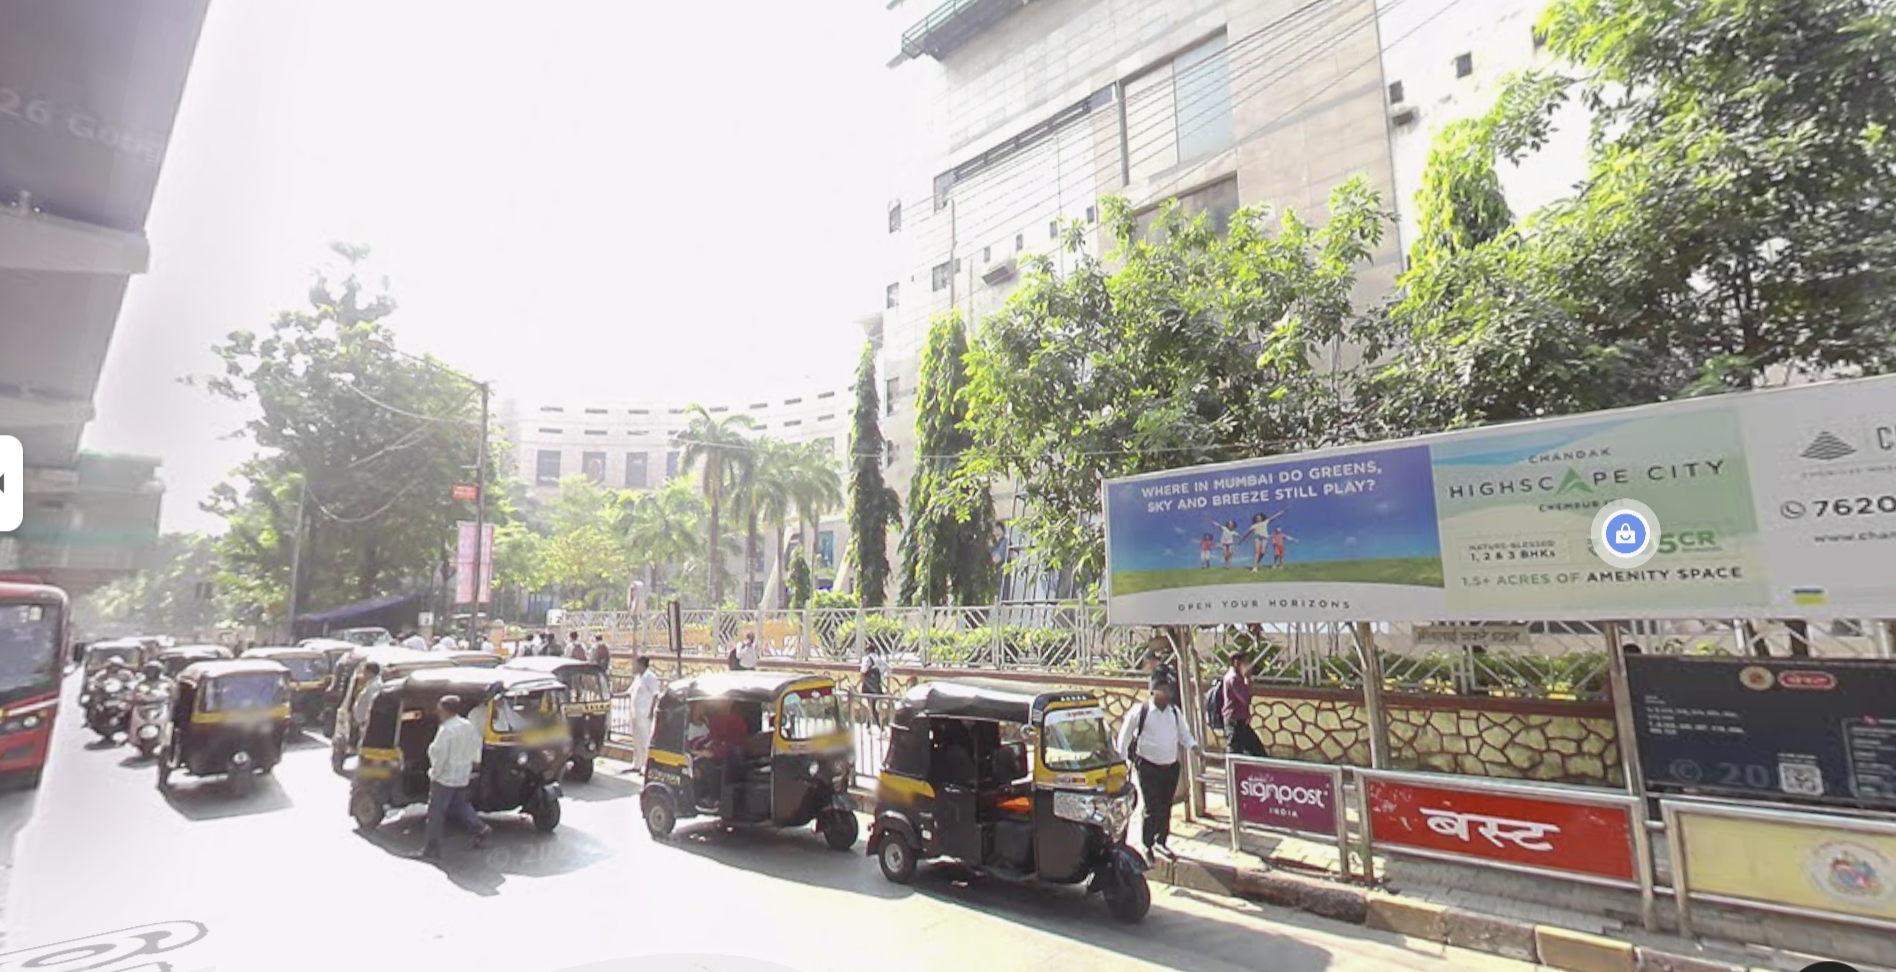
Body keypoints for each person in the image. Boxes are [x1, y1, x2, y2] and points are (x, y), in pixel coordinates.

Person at [1117, 675, 1201, 861]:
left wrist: (1193, 746)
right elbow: (1124, 737)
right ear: (1153, 691)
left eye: (1169, 690)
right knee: (1151, 807)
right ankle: (1147, 845)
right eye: (1162, 689)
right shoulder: (1141, 711)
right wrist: (1122, 762)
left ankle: (1161, 841)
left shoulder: (1174, 712)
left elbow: (1183, 734)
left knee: (1165, 806)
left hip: (1170, 767)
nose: (1166, 694)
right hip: (1148, 766)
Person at [421, 694, 491, 860]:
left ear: (443, 710)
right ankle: (480, 828)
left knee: (436, 813)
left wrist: (434, 774)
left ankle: (432, 849)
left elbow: (439, 755)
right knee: (460, 805)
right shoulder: (467, 725)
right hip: (462, 775)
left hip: (444, 777)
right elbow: (476, 747)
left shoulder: (446, 730)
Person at [1221, 654, 1266, 757]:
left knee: (1257, 750)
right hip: (1235, 722)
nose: (1247, 665)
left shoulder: (1237, 676)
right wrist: (1248, 679)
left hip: (1241, 721)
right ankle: (1233, 773)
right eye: (1245, 662)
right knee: (1235, 753)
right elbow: (1245, 698)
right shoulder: (1233, 678)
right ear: (1237, 663)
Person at [626, 656, 661, 773]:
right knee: (636, 740)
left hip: (644, 713)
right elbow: (629, 692)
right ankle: (637, 764)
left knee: (644, 740)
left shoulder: (650, 677)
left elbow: (656, 694)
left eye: (637, 664)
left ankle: (646, 766)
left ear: (641, 664)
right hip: (635, 712)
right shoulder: (638, 678)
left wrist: (651, 711)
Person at [859, 644, 890, 727]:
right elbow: (888, 669)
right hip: (877, 687)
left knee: (872, 707)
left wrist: (862, 682)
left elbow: (863, 671)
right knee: (872, 705)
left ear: (867, 651)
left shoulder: (866, 659)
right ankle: (868, 725)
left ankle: (880, 727)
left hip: (868, 687)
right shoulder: (879, 659)